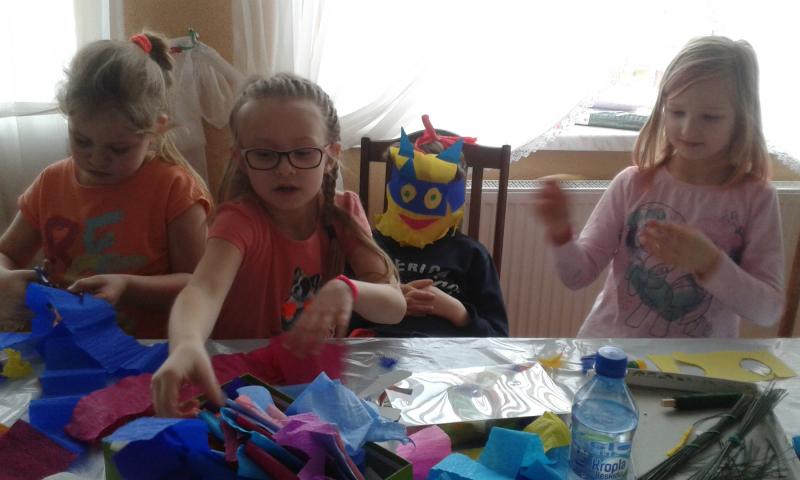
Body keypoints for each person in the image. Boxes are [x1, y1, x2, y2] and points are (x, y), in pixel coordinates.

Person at [151, 73, 406, 416]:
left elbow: (394, 306)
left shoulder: (343, 212)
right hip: (243, 389)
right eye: (264, 154)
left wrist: (349, 289)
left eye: (303, 152)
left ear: (330, 156)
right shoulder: (239, 220)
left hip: (308, 388)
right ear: (241, 159)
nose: (285, 169)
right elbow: (203, 289)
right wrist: (186, 342)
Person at [534, 36, 784, 338]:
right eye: (676, 112)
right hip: (612, 353)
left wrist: (710, 262)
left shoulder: (756, 198)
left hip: (699, 364)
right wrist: (560, 233)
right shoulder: (632, 184)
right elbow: (577, 276)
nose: (688, 129)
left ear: (742, 119)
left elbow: (768, 311)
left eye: (711, 117)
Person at [0, 32, 211, 338]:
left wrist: (127, 286)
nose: (97, 159)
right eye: (82, 141)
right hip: (65, 342)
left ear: (156, 129)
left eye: (118, 148)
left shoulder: (175, 190)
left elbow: (199, 284)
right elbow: (6, 252)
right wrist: (4, 277)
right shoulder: (51, 183)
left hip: (147, 348)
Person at [350, 116, 508, 337]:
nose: (419, 209)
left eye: (434, 198)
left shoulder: (471, 256)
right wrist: (388, 304)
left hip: (449, 354)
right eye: (408, 194)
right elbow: (340, 320)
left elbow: (498, 337)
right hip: (379, 349)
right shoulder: (367, 249)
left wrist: (456, 311)